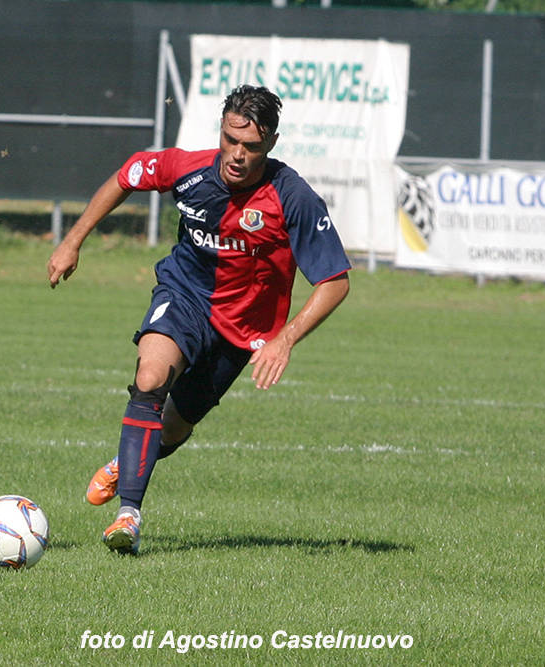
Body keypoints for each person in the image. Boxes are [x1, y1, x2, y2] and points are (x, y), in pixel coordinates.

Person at [47, 85, 350, 555]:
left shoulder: (293, 198)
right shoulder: (187, 168)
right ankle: (128, 514)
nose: (237, 155)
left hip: (243, 330)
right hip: (184, 295)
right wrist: (73, 240)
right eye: (231, 139)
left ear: (270, 144)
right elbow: (128, 175)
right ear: (222, 131)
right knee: (149, 378)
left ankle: (125, 463)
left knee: (173, 426)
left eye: (251, 146)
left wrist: (285, 340)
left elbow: (334, 281)